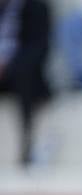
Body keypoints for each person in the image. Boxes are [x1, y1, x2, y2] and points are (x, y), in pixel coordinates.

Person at [0, 0, 53, 167]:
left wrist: (7, 65)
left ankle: (28, 142)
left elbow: (38, 49)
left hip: (23, 73)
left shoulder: (37, 7)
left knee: (25, 76)